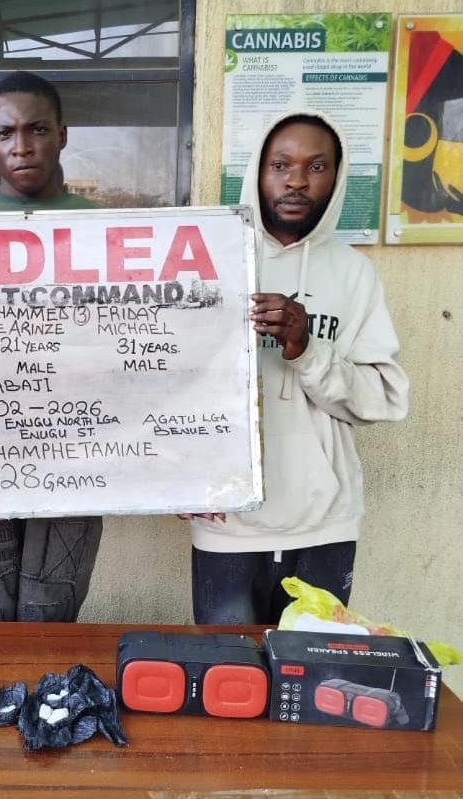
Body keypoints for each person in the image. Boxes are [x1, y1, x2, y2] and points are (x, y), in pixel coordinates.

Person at [182, 110, 409, 624]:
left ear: (337, 176)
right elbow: (171, 381)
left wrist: (306, 349)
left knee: (304, 684)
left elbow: (384, 398)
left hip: (325, 524)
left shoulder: (354, 274)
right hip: (228, 522)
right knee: (231, 678)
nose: (296, 180)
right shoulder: (209, 262)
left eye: (317, 166)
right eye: (280, 164)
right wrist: (183, 476)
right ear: (258, 172)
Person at [0, 71, 102, 622]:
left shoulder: (110, 228)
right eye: (5, 133)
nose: (22, 146)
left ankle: (49, 712)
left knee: (51, 613)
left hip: (77, 455)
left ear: (63, 134)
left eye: (37, 130)